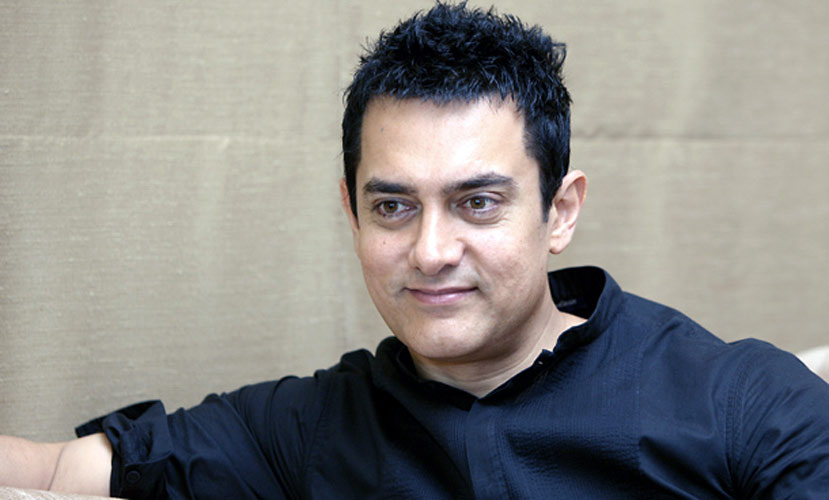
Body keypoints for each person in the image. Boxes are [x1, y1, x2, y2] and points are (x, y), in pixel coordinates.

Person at [2, 2, 828, 498]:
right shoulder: (303, 430)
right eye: (393, 207)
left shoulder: (745, 404)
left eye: (477, 202)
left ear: (560, 211)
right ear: (352, 214)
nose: (430, 251)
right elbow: (48, 474)